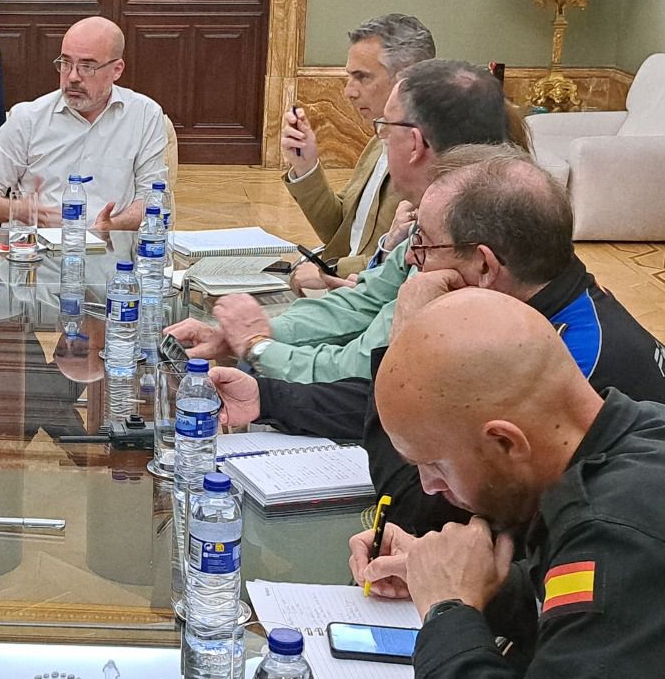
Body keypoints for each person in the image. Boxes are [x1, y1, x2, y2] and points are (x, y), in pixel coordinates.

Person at [210, 146, 665, 532]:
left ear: (485, 266)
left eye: (424, 243)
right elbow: (437, 411)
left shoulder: (569, 358)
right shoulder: (548, 303)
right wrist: (269, 398)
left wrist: (405, 331)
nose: (410, 257)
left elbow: (416, 507)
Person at [347, 290, 665, 679]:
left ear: (506, 442)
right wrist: (483, 585)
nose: (428, 487)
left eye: (434, 465)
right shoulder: (637, 437)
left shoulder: (619, 535)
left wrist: (449, 611)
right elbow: (596, 618)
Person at [167, 59, 512, 383]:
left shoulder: (465, 232)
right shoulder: (439, 210)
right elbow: (366, 301)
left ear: (416, 144)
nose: (379, 139)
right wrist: (255, 332)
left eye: (384, 129)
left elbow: (365, 365)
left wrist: (259, 347)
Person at [281, 14, 434, 289]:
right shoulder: (379, 141)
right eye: (349, 77)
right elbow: (342, 233)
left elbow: (411, 258)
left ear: (407, 78)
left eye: (362, 77)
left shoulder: (433, 157)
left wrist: (331, 272)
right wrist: (306, 167)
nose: (349, 92)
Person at [0, 16, 167, 230]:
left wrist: (112, 226)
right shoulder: (27, 118)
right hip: (35, 252)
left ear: (117, 69)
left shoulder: (145, 115)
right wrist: (21, 210)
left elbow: (152, 197)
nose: (73, 77)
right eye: (66, 63)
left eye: (87, 66)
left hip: (112, 251)